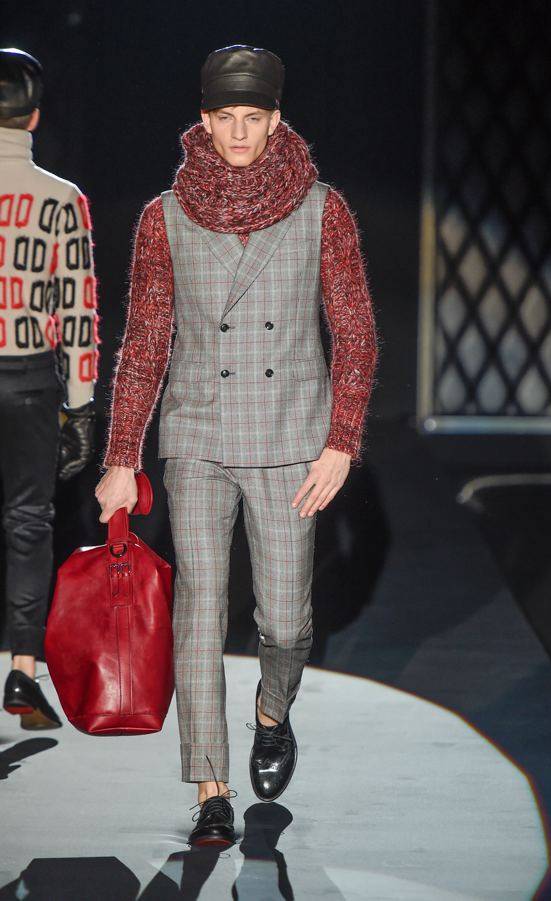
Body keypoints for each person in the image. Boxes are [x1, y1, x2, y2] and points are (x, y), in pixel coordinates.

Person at [97, 44, 378, 847]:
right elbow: (144, 342)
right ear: (205, 120)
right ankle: (210, 785)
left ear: (277, 120)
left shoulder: (323, 209)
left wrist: (341, 441)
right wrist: (122, 456)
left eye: (255, 118)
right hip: (198, 434)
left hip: (291, 439)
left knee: (285, 621)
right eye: (227, 118)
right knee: (199, 607)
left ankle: (271, 710)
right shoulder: (164, 217)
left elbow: (355, 332)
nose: (241, 133)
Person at [0, 48, 99, 728]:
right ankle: (21, 670)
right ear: (34, 116)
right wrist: (82, 408)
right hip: (31, 379)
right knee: (29, 525)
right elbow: (78, 312)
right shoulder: (62, 199)